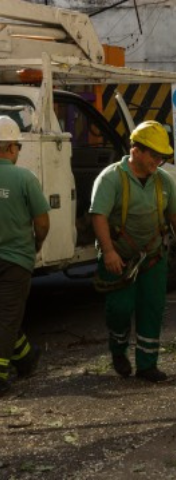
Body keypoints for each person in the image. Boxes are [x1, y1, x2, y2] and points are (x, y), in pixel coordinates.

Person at [90, 121, 176, 382]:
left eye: (161, 157)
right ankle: (118, 350)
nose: (158, 162)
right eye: (154, 155)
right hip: (119, 259)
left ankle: (147, 365)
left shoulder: (164, 181)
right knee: (120, 309)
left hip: (152, 258)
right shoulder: (111, 178)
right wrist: (109, 251)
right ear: (136, 151)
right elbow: (99, 217)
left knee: (152, 308)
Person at [0, 116, 50, 396]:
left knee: (7, 316)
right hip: (16, 259)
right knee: (7, 317)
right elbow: (42, 221)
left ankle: (27, 358)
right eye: (17, 146)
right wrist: (37, 244)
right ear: (9, 148)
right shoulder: (24, 178)